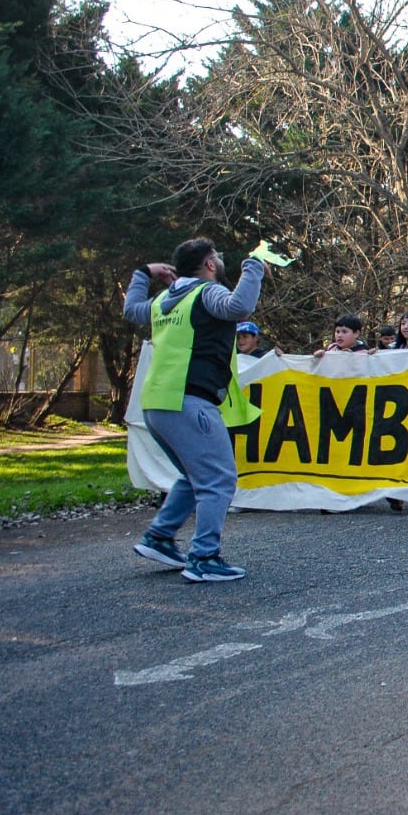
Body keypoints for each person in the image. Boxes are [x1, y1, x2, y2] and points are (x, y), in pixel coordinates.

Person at [123, 238, 269, 582]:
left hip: (157, 403)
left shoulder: (164, 301)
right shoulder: (206, 293)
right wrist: (253, 268)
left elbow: (132, 310)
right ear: (208, 265)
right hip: (191, 401)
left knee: (194, 476)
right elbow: (239, 307)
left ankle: (159, 537)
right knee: (219, 478)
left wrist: (143, 273)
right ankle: (204, 558)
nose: (219, 261)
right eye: (216, 257)